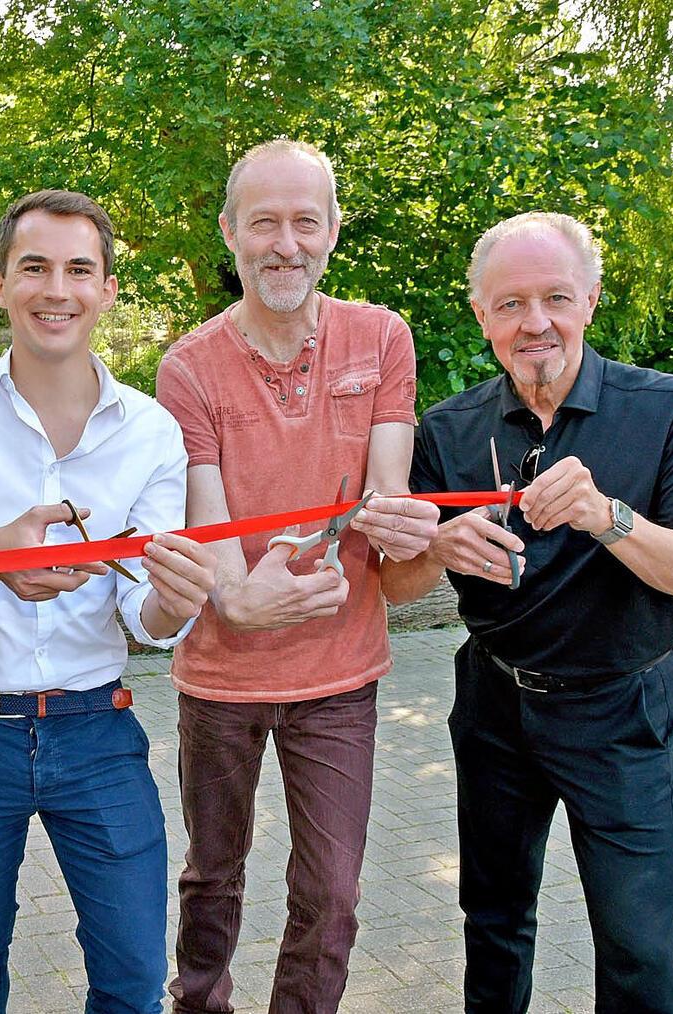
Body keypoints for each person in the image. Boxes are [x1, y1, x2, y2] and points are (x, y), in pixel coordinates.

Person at [0, 189, 216, 1013]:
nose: (56, 290)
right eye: (34, 268)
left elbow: (143, 613)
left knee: (134, 975)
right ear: (0, 283)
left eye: (78, 270)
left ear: (107, 289)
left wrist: (176, 602)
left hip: (97, 729)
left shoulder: (151, 430)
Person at [154, 138, 440, 1013]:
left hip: (340, 675)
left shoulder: (382, 338)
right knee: (212, 876)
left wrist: (404, 526)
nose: (286, 244)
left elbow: (388, 491)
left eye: (305, 222)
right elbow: (210, 524)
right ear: (230, 232)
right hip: (221, 678)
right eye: (265, 223)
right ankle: (199, 1002)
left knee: (332, 895)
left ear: (333, 231)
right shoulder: (187, 367)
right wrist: (238, 599)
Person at [382, 211, 673, 1013]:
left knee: (642, 945)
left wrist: (607, 516)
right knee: (494, 921)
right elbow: (395, 586)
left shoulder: (662, 409)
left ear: (590, 301)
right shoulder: (447, 429)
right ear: (483, 316)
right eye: (510, 304)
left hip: (623, 707)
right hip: (494, 705)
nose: (534, 321)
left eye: (555, 298)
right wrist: (438, 547)